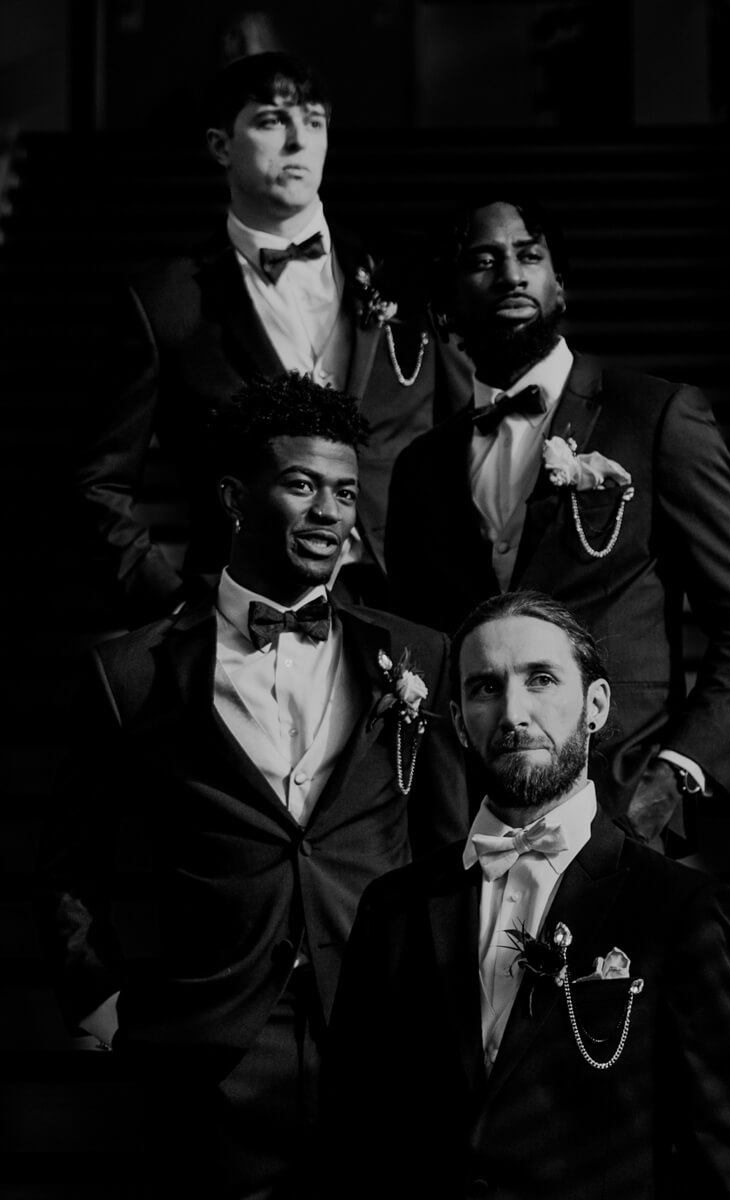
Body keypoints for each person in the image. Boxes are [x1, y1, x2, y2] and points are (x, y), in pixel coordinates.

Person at [40, 373, 468, 1199]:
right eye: (302, 485)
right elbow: (65, 868)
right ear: (235, 497)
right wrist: (99, 999)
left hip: (381, 1033)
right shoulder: (129, 672)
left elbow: (449, 849)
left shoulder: (418, 655)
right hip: (213, 1045)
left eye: (344, 492)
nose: (330, 513)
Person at [325, 589, 730, 1200]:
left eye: (540, 680)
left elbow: (725, 1168)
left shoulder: (680, 910)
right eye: (485, 688)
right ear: (457, 721)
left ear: (595, 705)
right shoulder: (392, 907)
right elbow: (351, 1140)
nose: (513, 712)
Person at [385, 195, 730, 845]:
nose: (512, 274)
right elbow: (417, 644)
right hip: (466, 819)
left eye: (530, 256)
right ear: (444, 303)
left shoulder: (654, 416)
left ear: (560, 284)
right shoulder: (419, 466)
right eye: (483, 260)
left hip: (623, 807)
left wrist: (673, 775)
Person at [75, 50, 469, 626]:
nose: (297, 141)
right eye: (271, 120)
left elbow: (464, 436)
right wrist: (170, 601)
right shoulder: (164, 299)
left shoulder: (403, 276)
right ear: (219, 145)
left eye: (313, 121)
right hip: (238, 611)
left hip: (404, 603)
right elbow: (97, 479)